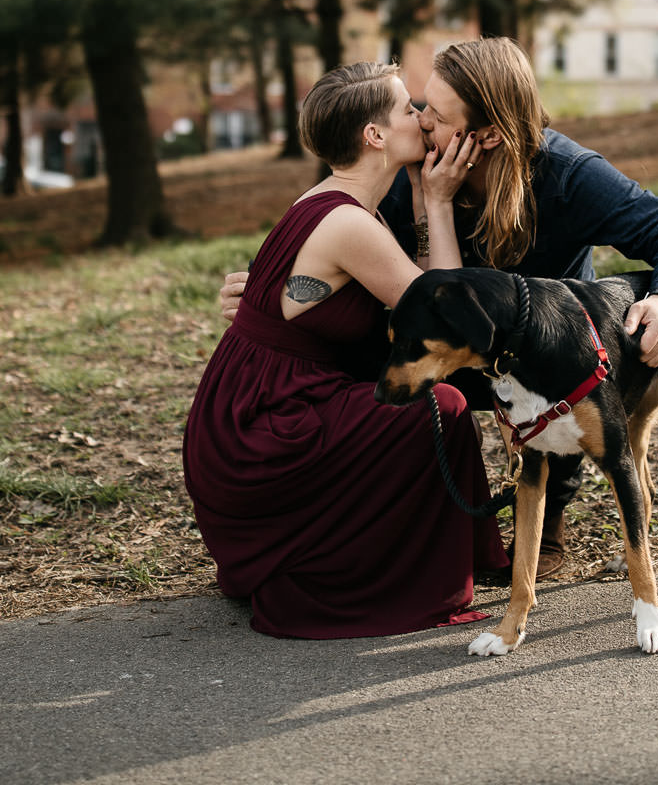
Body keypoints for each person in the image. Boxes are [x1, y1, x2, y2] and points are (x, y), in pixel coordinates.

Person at [220, 36, 658, 578]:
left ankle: (548, 523)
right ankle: (375, 523)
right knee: (378, 368)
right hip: (453, 350)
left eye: (434, 111)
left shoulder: (566, 175)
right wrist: (273, 292)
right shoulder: (405, 171)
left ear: (487, 134)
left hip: (550, 356)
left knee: (564, 378)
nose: (420, 119)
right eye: (419, 103)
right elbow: (332, 231)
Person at [183, 60, 506, 639]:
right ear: (374, 135)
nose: (421, 118)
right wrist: (436, 203)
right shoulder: (348, 223)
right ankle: (379, 572)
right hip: (263, 430)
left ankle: (384, 553)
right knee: (443, 408)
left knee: (417, 402)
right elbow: (449, 319)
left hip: (249, 412)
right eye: (408, 108)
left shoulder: (335, 204)